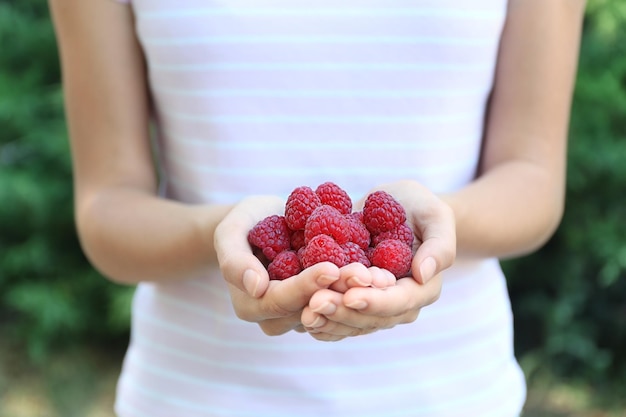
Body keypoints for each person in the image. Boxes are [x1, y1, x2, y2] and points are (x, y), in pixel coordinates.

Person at [48, 0, 585, 416]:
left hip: (452, 394)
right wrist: (225, 233)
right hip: (194, 396)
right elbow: (107, 209)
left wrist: (437, 224)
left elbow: (533, 179)